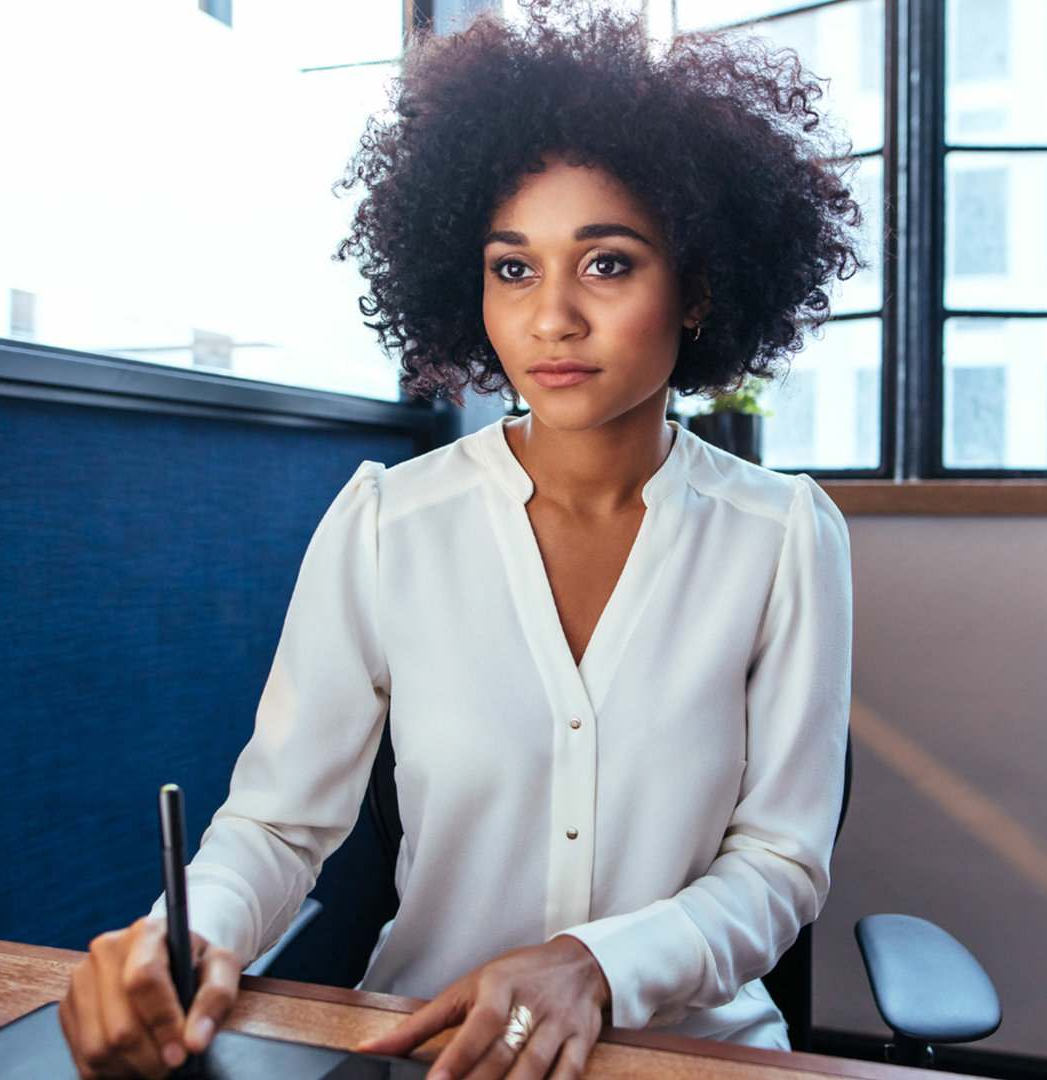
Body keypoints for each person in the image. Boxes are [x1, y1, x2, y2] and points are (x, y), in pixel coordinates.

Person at [57, 2, 861, 1077]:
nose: (553, 318)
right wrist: (184, 936)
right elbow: (279, 828)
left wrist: (592, 964)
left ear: (701, 285)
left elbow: (779, 863)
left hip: (688, 1055)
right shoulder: (388, 527)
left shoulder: (784, 539)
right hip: (430, 1049)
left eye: (608, 264)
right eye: (513, 268)